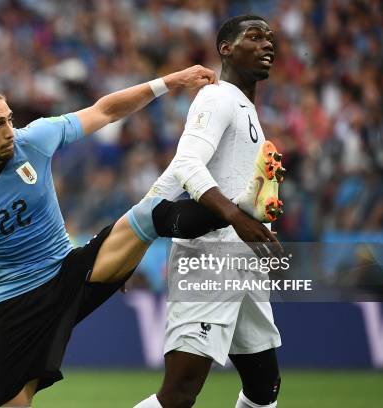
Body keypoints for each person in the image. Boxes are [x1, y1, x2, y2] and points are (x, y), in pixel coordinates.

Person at [0, 64, 280, 407]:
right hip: (18, 304)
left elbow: (105, 110)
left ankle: (242, 203)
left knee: (151, 214)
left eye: (9, 119)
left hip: (73, 270)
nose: (10, 132)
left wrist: (171, 81)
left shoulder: (34, 140)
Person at [135, 15, 284, 408]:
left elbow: (171, 177)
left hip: (242, 260)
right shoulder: (217, 97)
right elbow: (187, 165)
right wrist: (237, 219)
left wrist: (257, 225)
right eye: (255, 37)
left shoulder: (244, 107)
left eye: (270, 38)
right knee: (180, 392)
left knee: (263, 386)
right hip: (209, 258)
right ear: (226, 49)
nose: (267, 44)